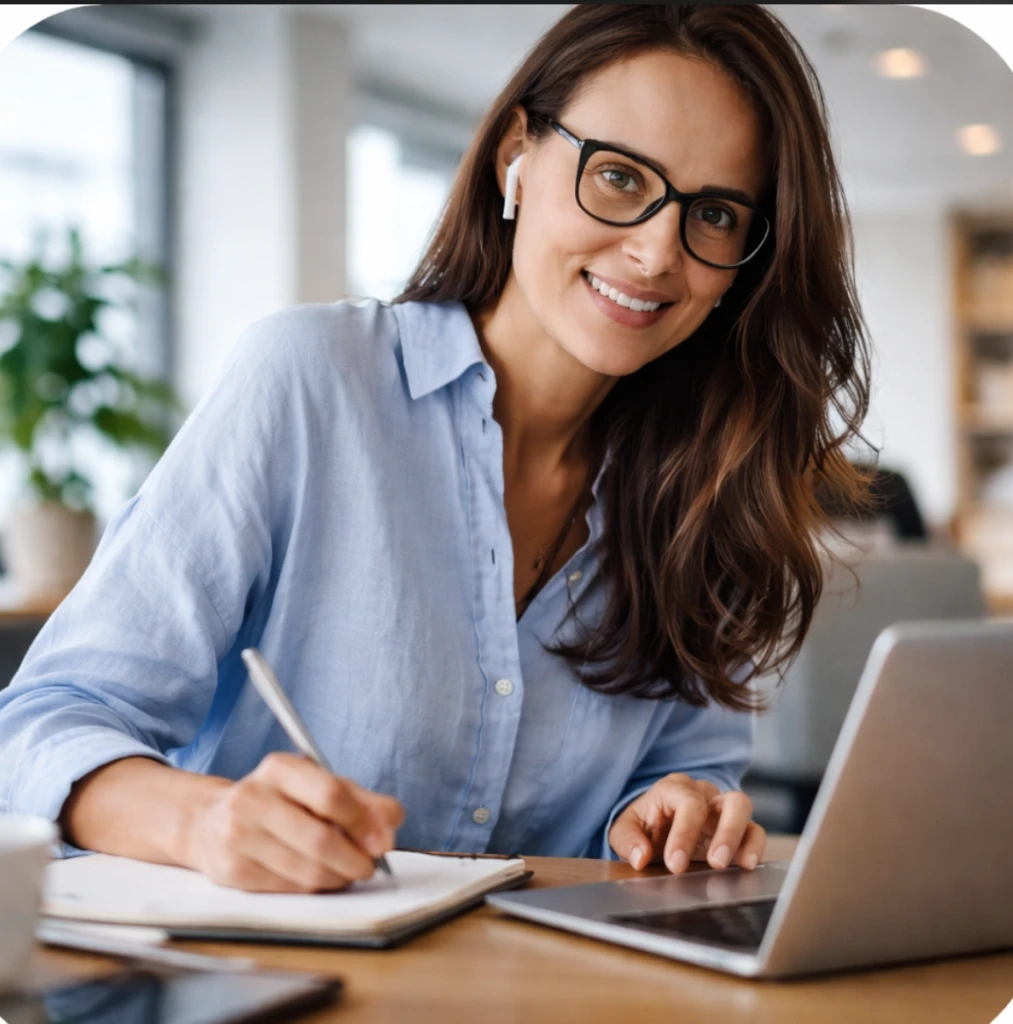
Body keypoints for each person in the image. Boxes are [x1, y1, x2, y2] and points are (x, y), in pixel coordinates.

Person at [0, 4, 870, 893]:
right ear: (515, 159)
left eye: (715, 215)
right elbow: (43, 722)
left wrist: (669, 814)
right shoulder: (311, 380)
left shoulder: (714, 485)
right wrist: (205, 823)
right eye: (618, 177)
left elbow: (682, 778)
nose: (654, 252)